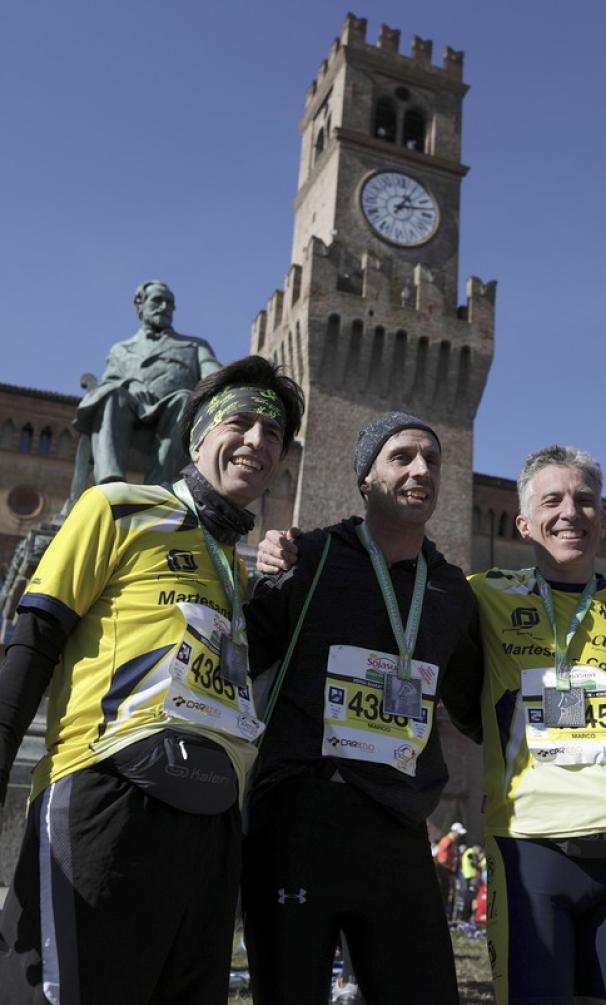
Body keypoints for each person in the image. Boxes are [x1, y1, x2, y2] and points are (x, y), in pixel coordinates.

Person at [0, 356, 304, 1004]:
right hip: (108, 798)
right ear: (197, 438)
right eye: (241, 422)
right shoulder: (118, 508)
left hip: (210, 827)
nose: (257, 440)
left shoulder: (233, 569)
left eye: (274, 434)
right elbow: (34, 639)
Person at [243, 411, 483, 1005]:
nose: (422, 469)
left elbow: (476, 710)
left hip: (398, 824)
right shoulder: (310, 557)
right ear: (365, 480)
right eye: (402, 457)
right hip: (299, 813)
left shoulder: (451, 591)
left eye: (432, 459)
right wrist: (261, 570)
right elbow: (242, 657)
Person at [470, 445, 606, 1005]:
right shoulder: (482, 596)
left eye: (585, 500)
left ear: (603, 520)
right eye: (552, 500)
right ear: (523, 523)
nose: (571, 511)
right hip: (529, 847)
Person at [75, 280, 221, 484]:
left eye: (169, 303)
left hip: (173, 417)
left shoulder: (194, 346)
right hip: (130, 414)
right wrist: (129, 384)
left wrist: (240, 381)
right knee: (111, 396)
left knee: (184, 398)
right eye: (157, 301)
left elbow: (214, 375)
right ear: (140, 305)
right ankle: (110, 482)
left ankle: (157, 485)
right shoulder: (121, 349)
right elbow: (107, 383)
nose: (164, 307)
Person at [434, 820, 467, 919]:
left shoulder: (451, 842)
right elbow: (442, 859)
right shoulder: (447, 841)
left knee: (447, 893)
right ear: (454, 832)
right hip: (443, 871)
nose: (460, 836)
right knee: (444, 893)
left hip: (447, 871)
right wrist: (448, 871)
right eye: (459, 834)